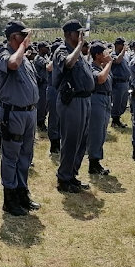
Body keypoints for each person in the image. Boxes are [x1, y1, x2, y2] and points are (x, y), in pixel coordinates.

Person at [0, 20, 40, 216]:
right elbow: (12, 64)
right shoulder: (3, 54)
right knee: (11, 156)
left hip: (29, 112)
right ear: (15, 37)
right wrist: (22, 48)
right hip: (13, 113)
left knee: (25, 155)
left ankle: (22, 191)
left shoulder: (25, 57)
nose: (27, 39)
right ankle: (10, 197)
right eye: (23, 36)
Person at [52, 20, 94, 193]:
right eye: (79, 33)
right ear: (70, 34)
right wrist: (80, 47)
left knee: (81, 141)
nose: (81, 36)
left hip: (84, 100)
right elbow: (68, 63)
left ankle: (72, 175)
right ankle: (64, 178)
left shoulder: (79, 53)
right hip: (72, 101)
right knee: (71, 141)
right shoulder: (62, 50)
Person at [87, 42, 113, 175]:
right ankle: (93, 163)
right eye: (104, 53)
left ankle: (96, 159)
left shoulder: (100, 67)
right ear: (97, 55)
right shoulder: (92, 67)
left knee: (102, 131)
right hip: (97, 99)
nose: (107, 55)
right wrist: (108, 64)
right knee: (96, 132)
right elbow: (100, 79)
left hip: (105, 99)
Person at [110, 37, 129, 129]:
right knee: (117, 102)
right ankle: (115, 120)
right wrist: (123, 52)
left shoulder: (124, 56)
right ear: (117, 45)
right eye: (122, 44)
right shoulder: (113, 54)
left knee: (123, 103)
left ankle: (118, 118)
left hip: (125, 82)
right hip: (117, 83)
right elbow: (117, 61)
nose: (124, 46)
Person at [33, 42, 49, 132]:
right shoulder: (38, 58)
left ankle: (42, 121)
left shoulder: (44, 57)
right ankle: (40, 123)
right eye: (45, 48)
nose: (47, 49)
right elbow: (47, 66)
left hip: (45, 85)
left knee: (45, 106)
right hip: (41, 85)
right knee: (41, 105)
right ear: (40, 49)